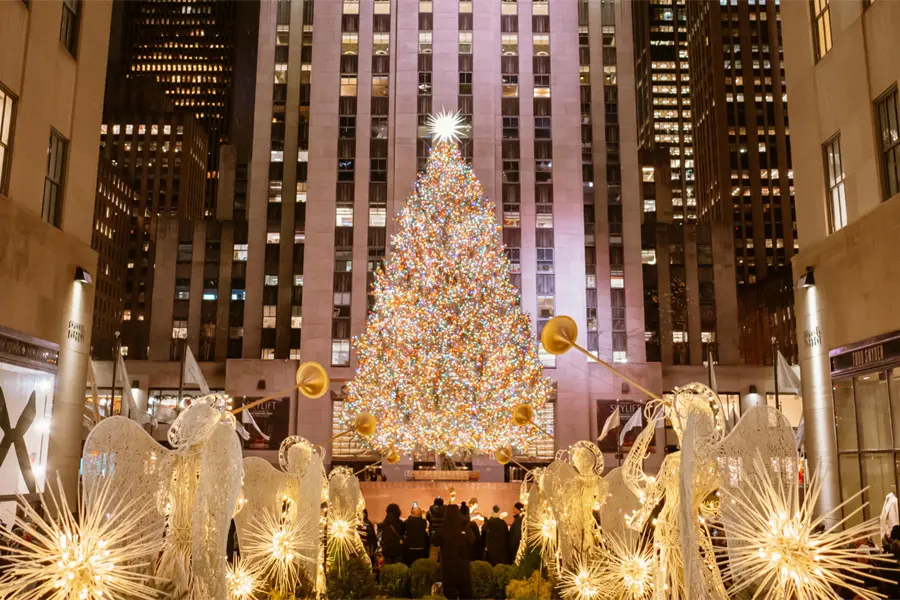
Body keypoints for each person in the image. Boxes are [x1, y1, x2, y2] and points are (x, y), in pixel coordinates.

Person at [431, 504, 475, 600]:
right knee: (467, 595)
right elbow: (473, 541)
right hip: (463, 570)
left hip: (448, 571)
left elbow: (434, 542)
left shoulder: (441, 530)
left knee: (450, 596)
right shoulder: (464, 529)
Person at [428, 497, 446, 561]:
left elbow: (428, 518)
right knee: (444, 556)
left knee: (433, 555)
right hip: (444, 535)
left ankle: (432, 569)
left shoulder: (430, 511)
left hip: (434, 534)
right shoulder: (445, 511)